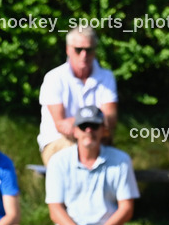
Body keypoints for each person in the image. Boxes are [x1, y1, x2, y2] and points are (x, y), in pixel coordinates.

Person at [37, 26, 118, 165]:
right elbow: (61, 126)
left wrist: (79, 123)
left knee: (120, 161)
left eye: (88, 50)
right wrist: (95, 122)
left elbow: (111, 120)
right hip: (58, 142)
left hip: (96, 141)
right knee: (77, 157)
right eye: (79, 50)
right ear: (68, 49)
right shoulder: (54, 78)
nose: (84, 55)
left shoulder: (107, 77)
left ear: (95, 51)